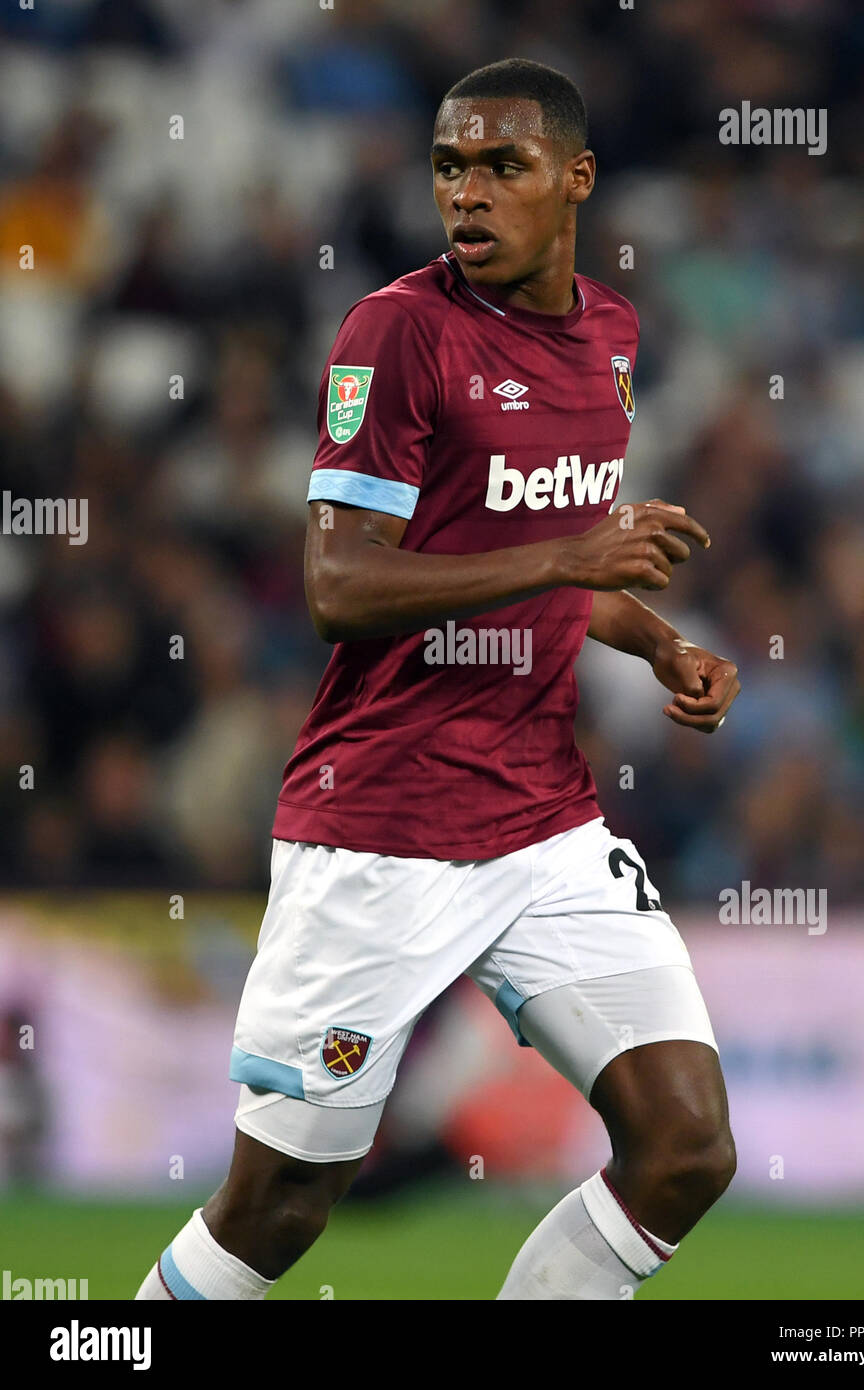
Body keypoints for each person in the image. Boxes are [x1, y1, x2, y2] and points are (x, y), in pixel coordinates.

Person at [136, 57, 741, 1303]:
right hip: (384, 830)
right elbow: (339, 588)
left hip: (543, 822)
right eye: (448, 167)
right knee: (282, 1205)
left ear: (574, 179)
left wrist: (652, 638)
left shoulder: (613, 340)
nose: (466, 195)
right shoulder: (396, 332)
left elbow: (525, 562)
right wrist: (574, 550)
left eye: (501, 167)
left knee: (684, 1145)